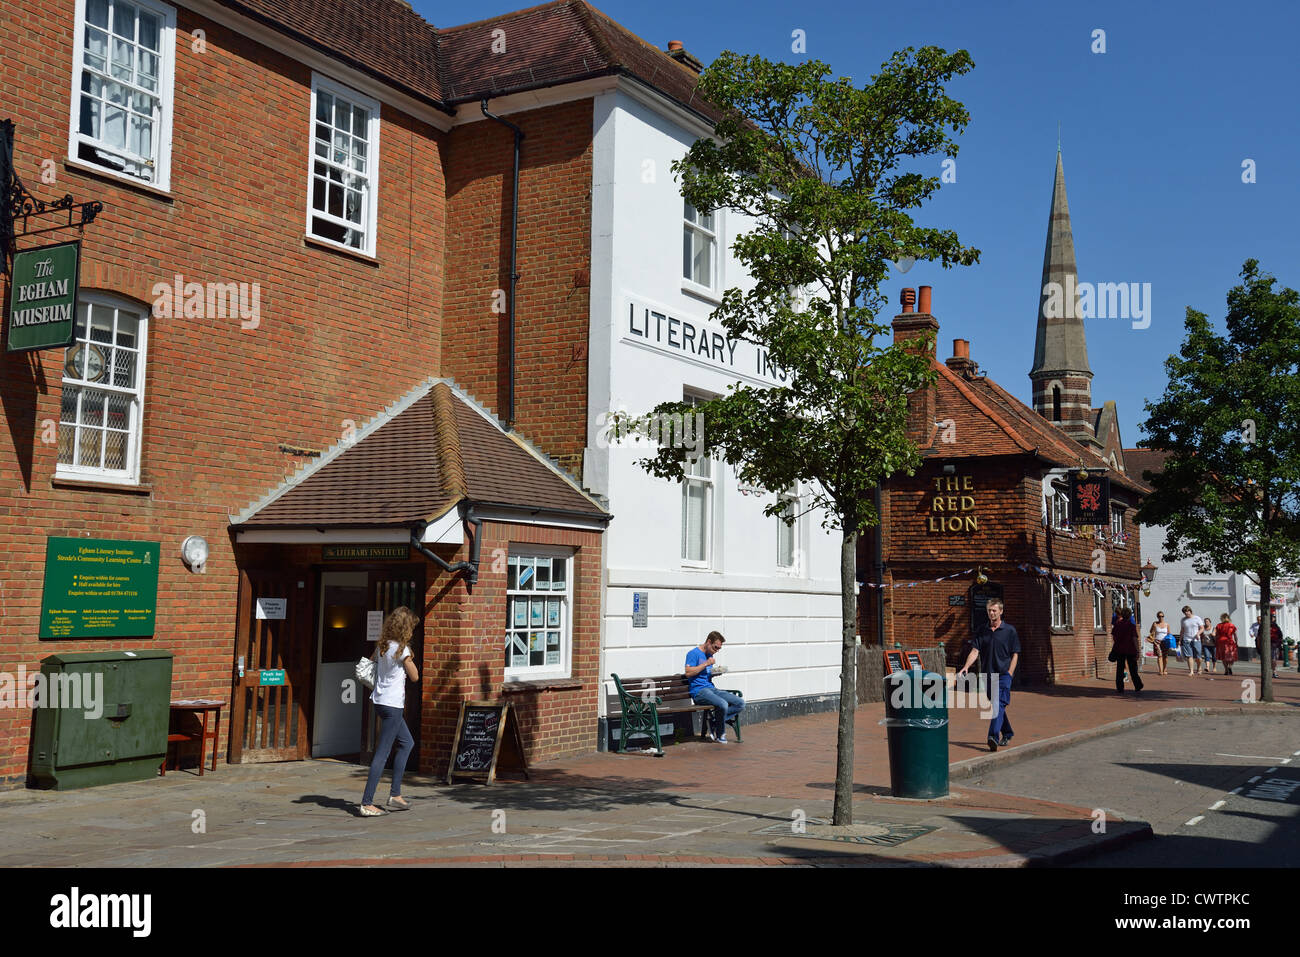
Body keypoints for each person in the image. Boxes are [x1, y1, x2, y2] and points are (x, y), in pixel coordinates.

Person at [359, 607, 420, 817]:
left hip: (379, 701)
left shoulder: (382, 646)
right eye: (412, 627)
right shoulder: (401, 650)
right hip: (392, 705)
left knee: (407, 743)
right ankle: (367, 802)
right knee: (382, 753)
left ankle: (395, 794)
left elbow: (373, 663)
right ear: (405, 628)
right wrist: (410, 657)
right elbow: (415, 677)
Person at [957, 598, 1021, 751]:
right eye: (989, 610)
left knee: (998, 705)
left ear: (1001, 611)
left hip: (1004, 674)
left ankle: (993, 736)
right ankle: (1007, 732)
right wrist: (965, 667)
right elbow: (975, 651)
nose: (991, 613)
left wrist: (1010, 673)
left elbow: (1015, 654)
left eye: (994, 610)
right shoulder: (982, 630)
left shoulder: (1009, 631)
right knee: (996, 705)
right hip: (987, 675)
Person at [685, 631, 743, 744]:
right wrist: (706, 664)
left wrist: (714, 672)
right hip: (699, 691)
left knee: (740, 703)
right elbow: (688, 672)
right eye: (715, 647)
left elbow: (705, 673)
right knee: (723, 704)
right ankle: (720, 734)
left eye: (719, 649)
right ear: (708, 642)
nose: (716, 651)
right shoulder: (693, 653)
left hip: (711, 688)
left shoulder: (709, 655)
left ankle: (714, 722)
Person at [1110, 605, 1144, 694]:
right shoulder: (1131, 626)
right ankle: (1138, 685)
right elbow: (1134, 639)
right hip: (1130, 649)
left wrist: (1117, 643)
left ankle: (1120, 687)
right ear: (1129, 615)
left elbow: (1114, 636)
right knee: (1133, 669)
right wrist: (1138, 651)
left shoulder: (1117, 625)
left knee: (1120, 669)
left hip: (1119, 650)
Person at [1178, 606, 1203, 676]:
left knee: (1198, 657)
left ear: (1190, 611)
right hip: (1186, 639)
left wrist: (1198, 634)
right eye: (1185, 612)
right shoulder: (1183, 620)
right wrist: (1180, 640)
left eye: (1187, 611)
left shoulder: (1197, 618)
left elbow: (1202, 628)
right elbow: (1182, 630)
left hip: (1196, 639)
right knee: (1189, 656)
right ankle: (1191, 671)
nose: (1186, 613)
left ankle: (1199, 667)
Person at [1148, 611, 1171, 676]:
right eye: (1159, 616)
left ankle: (1165, 669)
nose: (1161, 617)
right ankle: (1160, 670)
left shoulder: (1167, 624)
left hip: (1165, 642)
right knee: (1159, 656)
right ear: (1157, 617)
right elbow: (1151, 631)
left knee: (1165, 656)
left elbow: (1169, 633)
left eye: (1162, 616)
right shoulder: (1155, 624)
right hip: (1157, 642)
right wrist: (1154, 629)